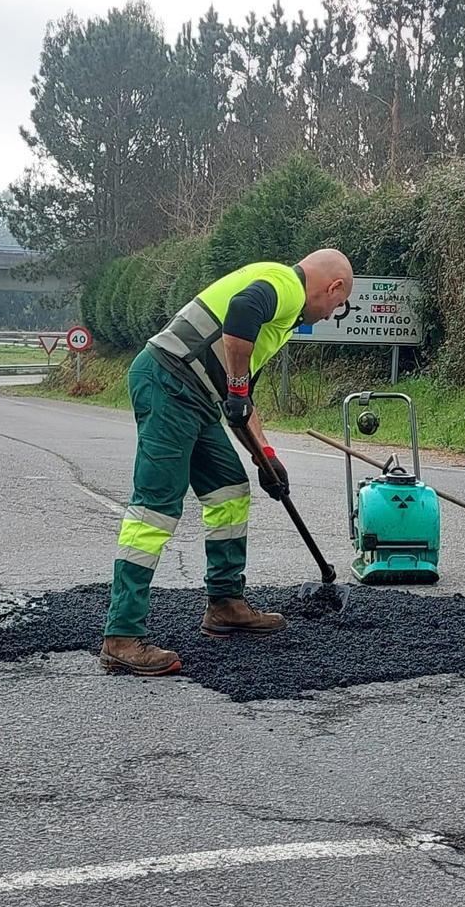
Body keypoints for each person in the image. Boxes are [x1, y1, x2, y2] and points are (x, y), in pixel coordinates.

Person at [100, 249, 354, 676]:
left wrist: (266, 458)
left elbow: (241, 400)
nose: (331, 315)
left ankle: (225, 604)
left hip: (195, 395)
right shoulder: (284, 285)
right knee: (156, 506)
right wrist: (236, 389)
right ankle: (122, 634)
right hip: (168, 379)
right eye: (337, 306)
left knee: (230, 490)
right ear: (334, 288)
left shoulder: (280, 322)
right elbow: (241, 313)